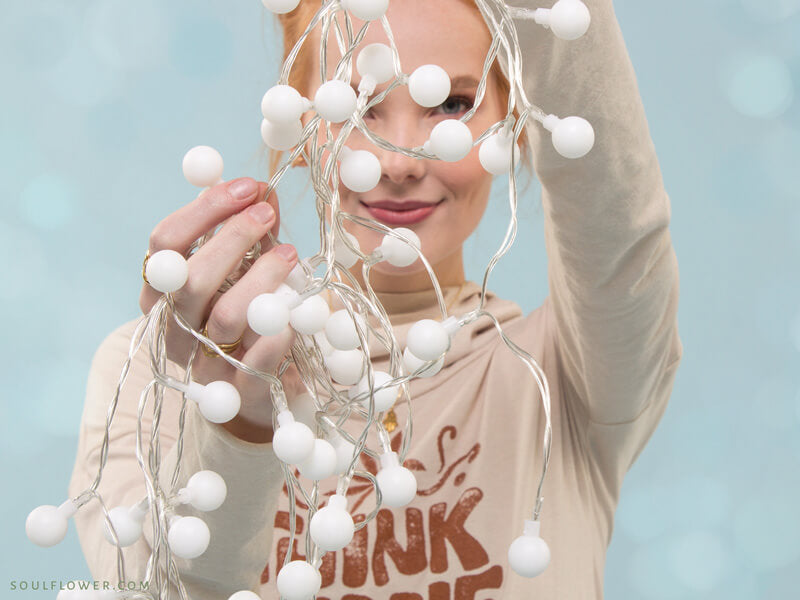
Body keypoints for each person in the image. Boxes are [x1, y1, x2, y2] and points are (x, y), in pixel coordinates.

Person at [68, 0, 683, 598]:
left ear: (518, 122)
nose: (397, 160)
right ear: (300, 123)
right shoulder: (158, 371)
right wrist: (241, 423)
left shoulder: (566, 379)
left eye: (453, 104)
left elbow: (620, 223)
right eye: (357, 104)